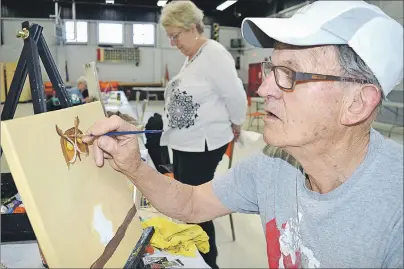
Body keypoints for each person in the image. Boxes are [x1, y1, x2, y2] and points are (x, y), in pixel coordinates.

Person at [83, 1, 403, 268]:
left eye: (289, 73)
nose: (263, 89)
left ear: (357, 103)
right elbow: (192, 203)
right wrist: (133, 165)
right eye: (271, 69)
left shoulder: (394, 211)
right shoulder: (274, 164)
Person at [146, 1, 246, 267]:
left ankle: (207, 261)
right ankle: (194, 255)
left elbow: (234, 94)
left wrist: (236, 123)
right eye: (169, 36)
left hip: (201, 145)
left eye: (175, 35)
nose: (172, 42)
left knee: (195, 208)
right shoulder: (192, 58)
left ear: (193, 27)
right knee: (185, 204)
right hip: (185, 143)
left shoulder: (213, 53)